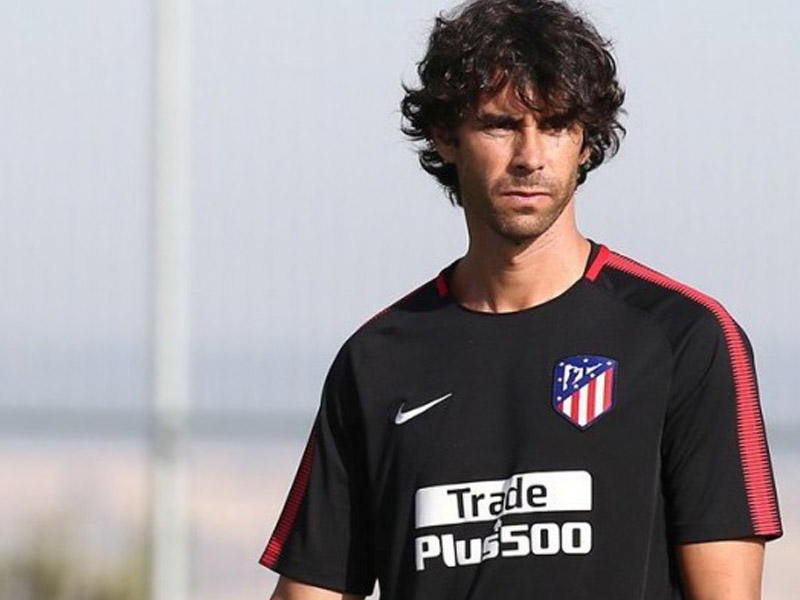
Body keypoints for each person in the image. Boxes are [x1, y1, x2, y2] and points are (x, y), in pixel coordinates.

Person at [259, 0, 783, 598]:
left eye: (556, 126)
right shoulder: (377, 358)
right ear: (446, 136)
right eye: (501, 125)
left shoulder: (683, 337)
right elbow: (314, 588)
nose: (531, 157)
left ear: (586, 143)